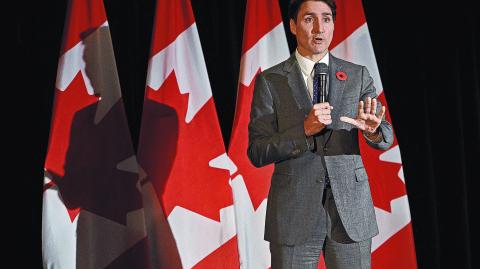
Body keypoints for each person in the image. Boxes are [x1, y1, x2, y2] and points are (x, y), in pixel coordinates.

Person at [247, 0, 393, 268]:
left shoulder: (356, 75)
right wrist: (303, 130)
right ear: (293, 26)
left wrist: (373, 132)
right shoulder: (271, 80)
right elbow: (257, 151)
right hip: (294, 213)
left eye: (326, 19)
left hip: (350, 211)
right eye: (308, 19)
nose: (319, 28)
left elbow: (385, 136)